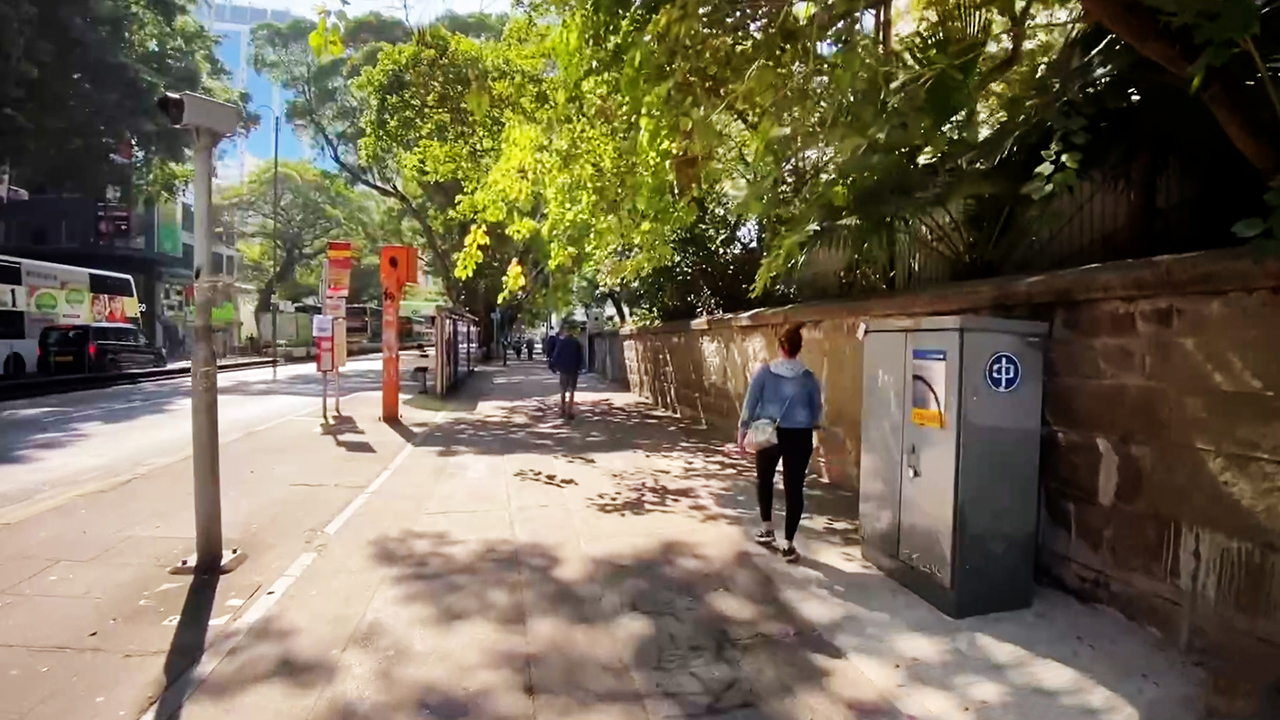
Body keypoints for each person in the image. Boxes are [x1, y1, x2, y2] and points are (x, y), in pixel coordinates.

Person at [737, 323, 823, 563]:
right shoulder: (808, 377)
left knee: (764, 480)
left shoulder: (764, 372)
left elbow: (750, 403)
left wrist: (742, 432)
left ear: (780, 347)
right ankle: (788, 543)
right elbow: (817, 409)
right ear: (799, 349)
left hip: (768, 433)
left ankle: (767, 528)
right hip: (800, 436)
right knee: (794, 488)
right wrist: (812, 423)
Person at [549, 324, 584, 419]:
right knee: (572, 390)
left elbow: (556, 355)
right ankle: (569, 410)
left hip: (563, 369)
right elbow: (581, 356)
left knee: (563, 390)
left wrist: (553, 366)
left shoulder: (562, 342)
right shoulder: (576, 342)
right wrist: (580, 367)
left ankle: (562, 409)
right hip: (574, 369)